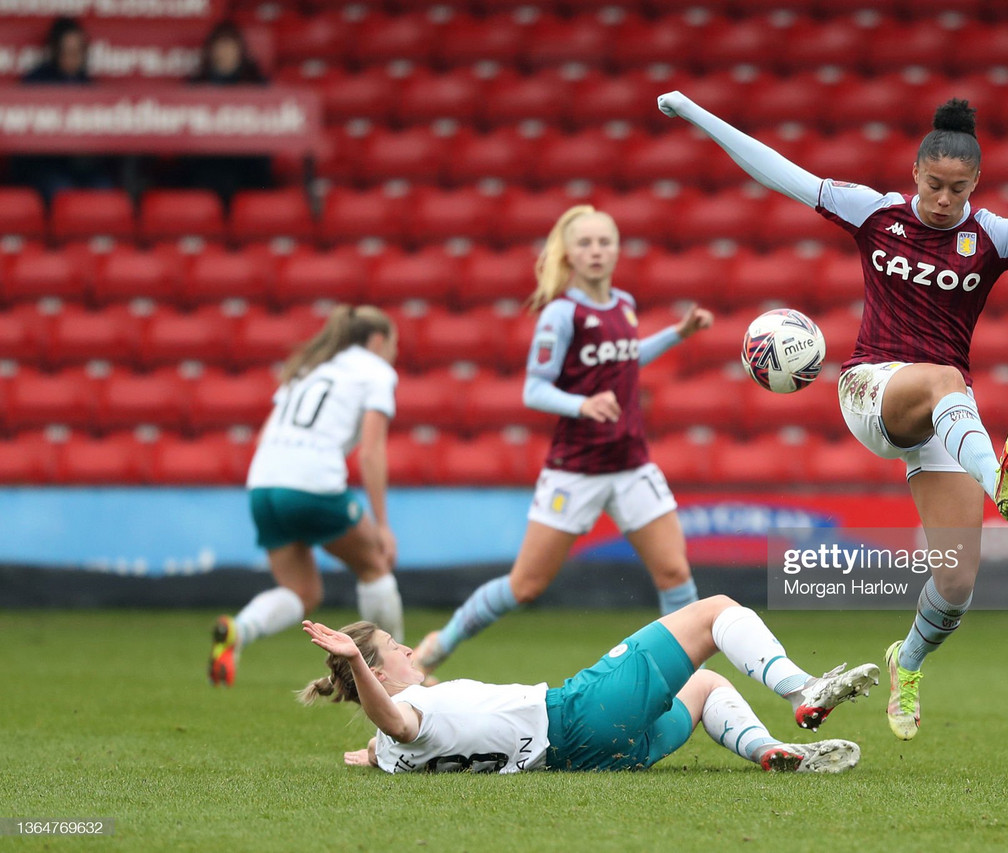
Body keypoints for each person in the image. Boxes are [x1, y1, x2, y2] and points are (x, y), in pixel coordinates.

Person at [656, 92, 1008, 742]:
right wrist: (695, 112)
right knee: (945, 381)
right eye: (933, 184)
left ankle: (906, 662)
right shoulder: (876, 212)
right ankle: (1004, 482)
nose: (943, 198)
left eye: (957, 188)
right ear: (915, 175)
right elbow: (777, 169)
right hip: (872, 388)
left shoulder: (995, 235)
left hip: (943, 415)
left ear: (976, 185)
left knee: (956, 582)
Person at [412, 205, 714, 676]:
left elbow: (627, 358)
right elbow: (534, 389)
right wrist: (583, 404)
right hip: (575, 470)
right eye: (585, 243)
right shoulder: (561, 314)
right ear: (568, 254)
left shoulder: (624, 304)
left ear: (617, 250)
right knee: (525, 586)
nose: (596, 251)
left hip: (632, 464)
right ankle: (437, 647)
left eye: (604, 242)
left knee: (675, 574)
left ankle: (694, 683)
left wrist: (677, 334)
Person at [300, 595, 881, 774]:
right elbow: (395, 720)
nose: (406, 650)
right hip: (576, 712)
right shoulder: (406, 715)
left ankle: (771, 751)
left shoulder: (396, 752)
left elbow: (391, 738)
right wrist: (353, 658)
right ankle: (801, 688)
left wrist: (369, 755)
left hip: (590, 758)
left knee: (704, 687)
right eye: (392, 649)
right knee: (716, 612)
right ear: (374, 675)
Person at [209, 305, 403, 686]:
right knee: (374, 564)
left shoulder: (309, 367)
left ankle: (239, 631)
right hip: (312, 483)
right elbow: (370, 451)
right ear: (378, 340)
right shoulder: (377, 371)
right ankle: (396, 678)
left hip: (263, 485)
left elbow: (265, 436)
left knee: (301, 592)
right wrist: (382, 524)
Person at [16, 17, 116, 201]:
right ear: (55, 50)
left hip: (82, 166)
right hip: (44, 165)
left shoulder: (88, 84)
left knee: (104, 190)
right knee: (62, 190)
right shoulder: (35, 82)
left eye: (79, 51)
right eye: (68, 51)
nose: (74, 57)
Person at [183, 20, 272, 207]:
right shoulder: (197, 82)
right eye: (220, 46)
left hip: (246, 162)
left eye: (230, 46)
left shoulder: (255, 81)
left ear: (240, 49)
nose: (225, 52)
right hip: (208, 162)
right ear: (211, 50)